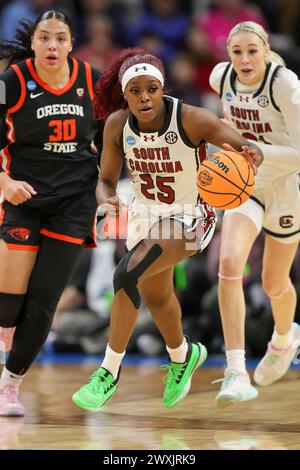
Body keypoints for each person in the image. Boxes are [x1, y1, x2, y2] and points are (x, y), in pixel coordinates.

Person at [72, 47, 263, 411]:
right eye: (136, 91)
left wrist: (250, 152)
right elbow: (107, 180)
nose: (144, 97)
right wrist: (107, 198)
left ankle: (108, 372)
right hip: (146, 213)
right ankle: (183, 354)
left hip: (191, 213)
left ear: (162, 88)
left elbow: (242, 146)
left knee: (126, 273)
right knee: (157, 295)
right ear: (125, 95)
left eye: (151, 88)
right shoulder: (117, 125)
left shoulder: (192, 118)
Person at [0, 10, 101, 416]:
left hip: (74, 202)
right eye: (45, 38)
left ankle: (11, 385)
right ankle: (7, 337)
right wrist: (5, 184)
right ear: (34, 42)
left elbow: (115, 134)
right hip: (25, 199)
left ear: (72, 43)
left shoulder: (92, 80)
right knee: (10, 304)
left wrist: (108, 187)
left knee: (44, 300)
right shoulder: (12, 81)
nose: (53, 45)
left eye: (60, 38)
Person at [209, 21, 300, 407]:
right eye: (236, 52)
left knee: (273, 285)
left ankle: (283, 340)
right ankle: (235, 371)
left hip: (284, 187)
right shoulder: (221, 77)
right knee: (229, 266)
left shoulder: (286, 85)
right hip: (245, 184)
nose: (244, 59)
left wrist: (254, 148)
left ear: (265, 49)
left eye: (251, 50)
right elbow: (228, 121)